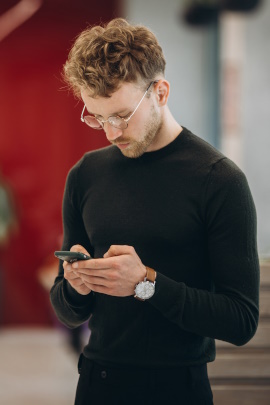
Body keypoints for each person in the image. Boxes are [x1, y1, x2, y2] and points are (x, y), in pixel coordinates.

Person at [50, 18, 260, 405]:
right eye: (97, 116)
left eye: (121, 116)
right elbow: (67, 311)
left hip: (179, 387)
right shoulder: (85, 174)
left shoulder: (219, 180)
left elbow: (241, 321)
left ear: (160, 92)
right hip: (98, 380)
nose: (111, 133)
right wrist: (75, 289)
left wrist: (146, 283)